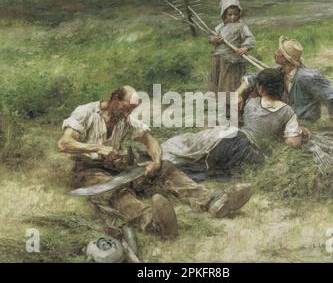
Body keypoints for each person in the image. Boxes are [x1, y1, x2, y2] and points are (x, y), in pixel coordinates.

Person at [58, 85, 253, 239]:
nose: (128, 114)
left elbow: (150, 140)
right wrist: (97, 148)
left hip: (116, 165)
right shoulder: (85, 112)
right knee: (115, 191)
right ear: (115, 99)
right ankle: (153, 223)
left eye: (131, 110)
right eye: (127, 108)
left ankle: (212, 201)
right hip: (87, 168)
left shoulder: (125, 119)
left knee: (166, 168)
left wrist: (156, 161)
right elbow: (64, 143)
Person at [162, 69, 309, 180]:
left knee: (198, 156)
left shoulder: (251, 102)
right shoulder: (287, 111)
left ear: (260, 88)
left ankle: (170, 167)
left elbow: (239, 108)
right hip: (251, 154)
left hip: (230, 139)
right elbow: (293, 143)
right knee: (215, 171)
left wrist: (239, 94)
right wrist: (299, 133)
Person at [237, 36, 333, 144]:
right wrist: (238, 93)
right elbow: (253, 78)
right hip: (286, 122)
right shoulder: (279, 71)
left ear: (284, 58)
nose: (275, 53)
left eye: (279, 51)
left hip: (305, 124)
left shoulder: (307, 77)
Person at [208, 0, 256, 117]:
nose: (233, 17)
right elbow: (211, 39)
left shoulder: (241, 26)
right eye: (229, 14)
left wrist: (244, 48)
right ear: (224, 14)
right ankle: (224, 108)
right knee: (220, 85)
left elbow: (250, 38)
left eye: (235, 14)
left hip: (233, 62)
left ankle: (236, 109)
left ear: (239, 13)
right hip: (220, 60)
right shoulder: (219, 27)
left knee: (232, 85)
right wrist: (214, 40)